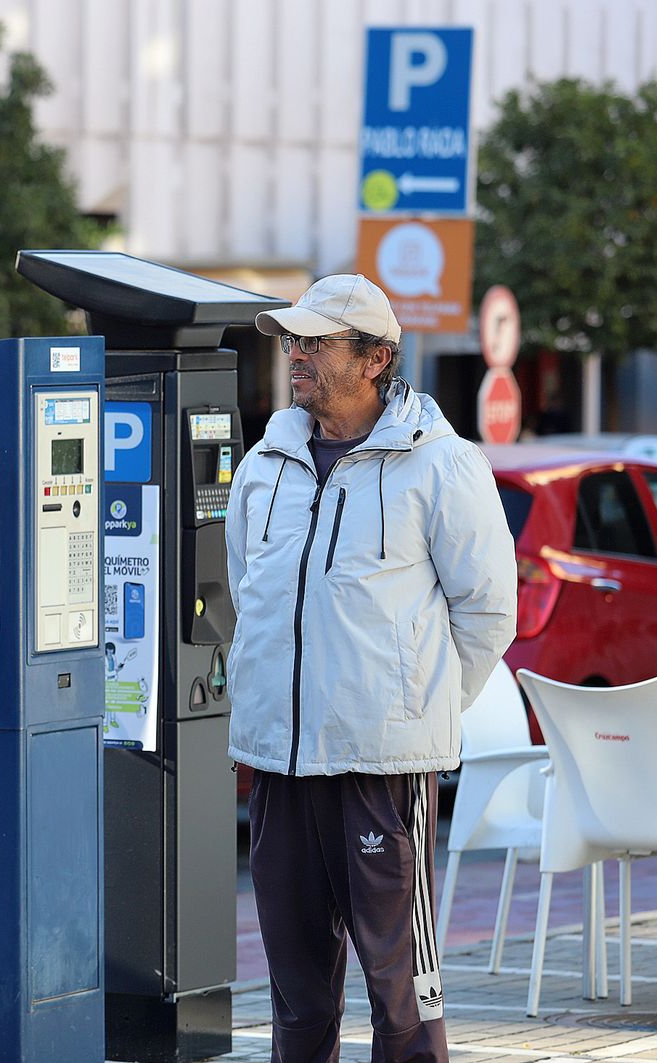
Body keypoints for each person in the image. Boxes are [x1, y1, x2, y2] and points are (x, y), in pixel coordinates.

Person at [225, 274, 516, 1063]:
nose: (297, 354)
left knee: (403, 998)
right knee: (296, 995)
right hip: (280, 765)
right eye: (294, 340)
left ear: (377, 358)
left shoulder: (443, 466)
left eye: (317, 342)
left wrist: (414, 713)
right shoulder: (265, 464)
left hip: (382, 770)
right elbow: (244, 592)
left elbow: (487, 614)